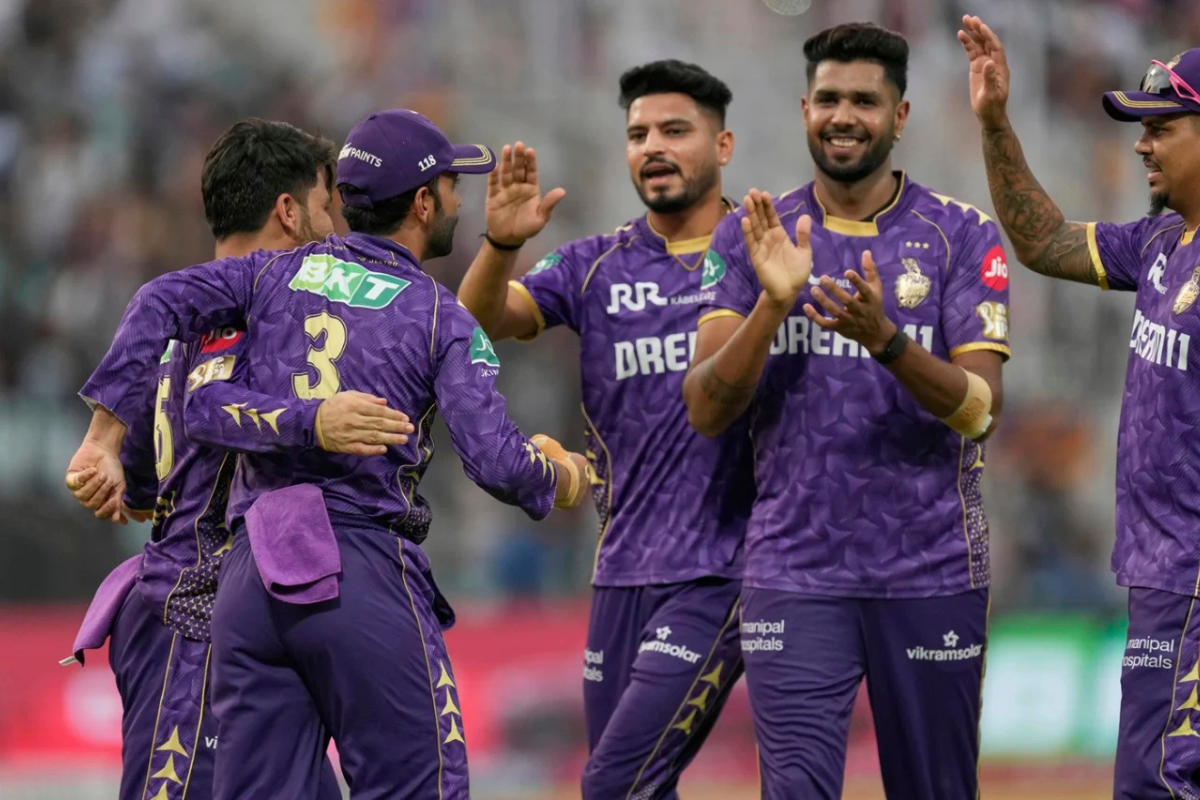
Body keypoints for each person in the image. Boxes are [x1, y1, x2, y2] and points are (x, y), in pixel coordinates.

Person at [68, 108, 589, 800]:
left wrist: (104, 440)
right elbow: (497, 463)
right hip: (329, 574)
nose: (460, 202)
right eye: (451, 187)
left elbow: (186, 394)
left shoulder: (266, 282)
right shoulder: (433, 314)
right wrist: (562, 475)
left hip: (243, 586)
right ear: (423, 202)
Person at [682, 23, 1011, 799]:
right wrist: (772, 305)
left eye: (865, 101)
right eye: (828, 98)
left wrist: (885, 341)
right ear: (804, 109)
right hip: (794, 573)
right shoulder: (752, 233)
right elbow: (704, 409)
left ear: (900, 117)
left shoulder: (961, 235)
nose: (843, 116)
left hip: (931, 572)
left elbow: (980, 412)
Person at [64, 119, 409, 800]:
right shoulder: (249, 316)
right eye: (326, 206)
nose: (334, 228)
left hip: (241, 626)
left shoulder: (179, 324)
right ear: (290, 212)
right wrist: (316, 422)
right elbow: (207, 413)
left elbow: (143, 487)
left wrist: (120, 468)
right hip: (195, 627)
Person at [456, 60, 753, 799]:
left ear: (723, 145)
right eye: (638, 134)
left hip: (722, 571)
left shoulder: (765, 254)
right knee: (639, 787)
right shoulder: (596, 265)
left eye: (675, 131)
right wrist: (499, 246)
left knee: (614, 783)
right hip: (620, 571)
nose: (653, 147)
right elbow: (479, 322)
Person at [960, 16, 1200, 798]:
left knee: (1158, 785)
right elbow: (1044, 241)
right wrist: (995, 124)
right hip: (1161, 577)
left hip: (1193, 583)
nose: (1141, 146)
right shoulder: (1162, 242)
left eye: (1161, 128)